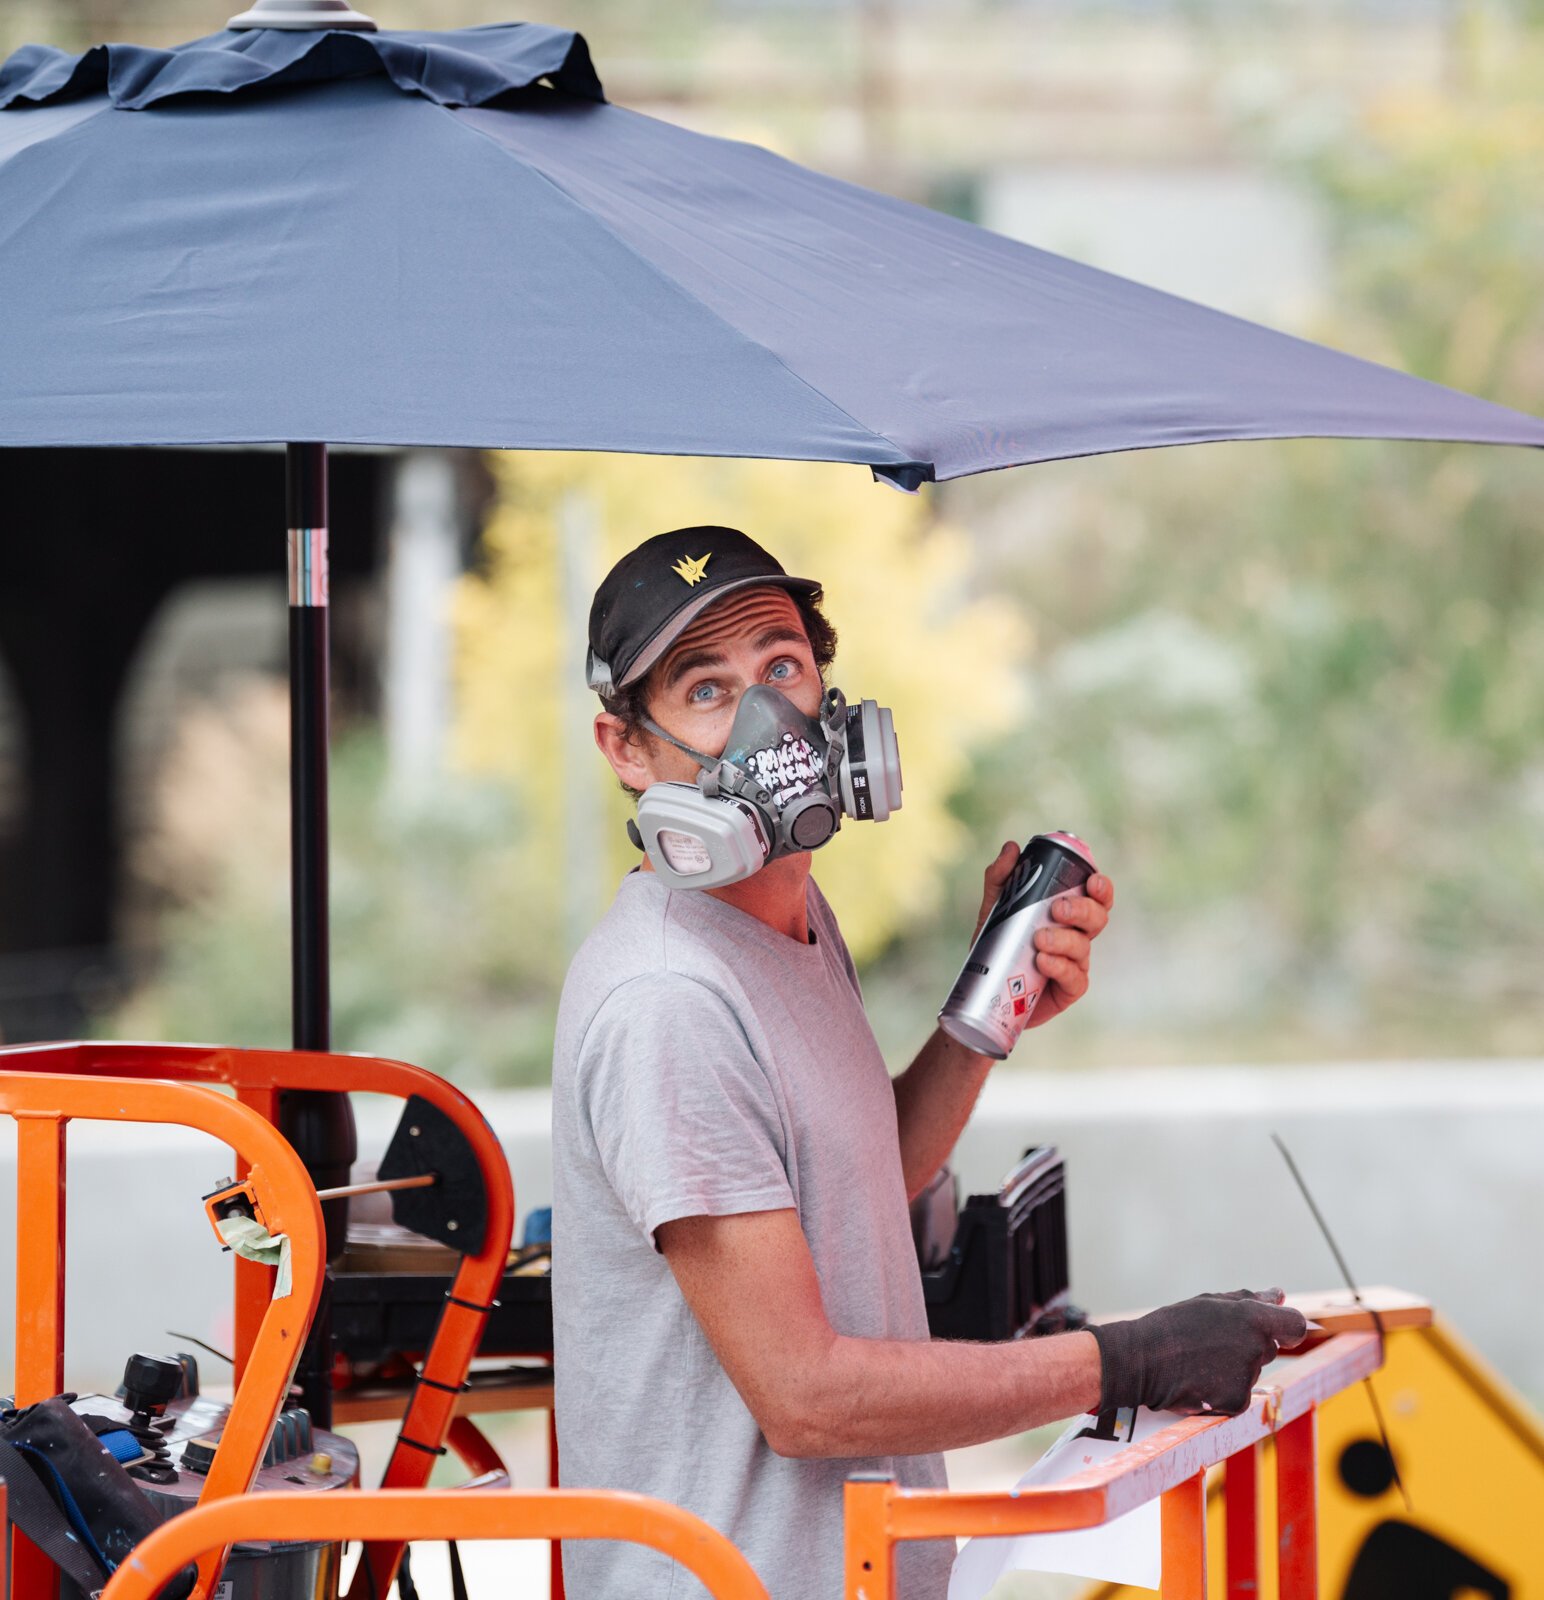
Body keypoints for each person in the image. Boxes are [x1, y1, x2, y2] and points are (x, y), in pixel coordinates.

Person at [550, 526, 1307, 1600]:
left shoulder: (789, 917)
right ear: (627, 749)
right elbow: (803, 1394)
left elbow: (860, 1180)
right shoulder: (666, 1000)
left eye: (779, 668)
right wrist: (1130, 1359)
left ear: (828, 692)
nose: (765, 720)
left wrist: (986, 1010)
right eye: (706, 690)